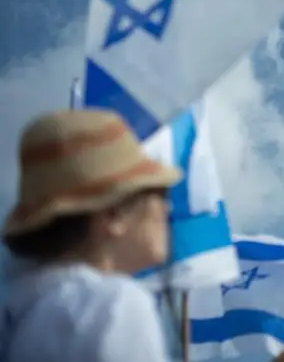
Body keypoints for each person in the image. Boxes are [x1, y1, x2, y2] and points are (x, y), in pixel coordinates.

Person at [0, 108, 182, 362]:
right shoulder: (114, 307)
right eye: (159, 194)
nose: (166, 208)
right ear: (113, 214)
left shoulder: (21, 320)